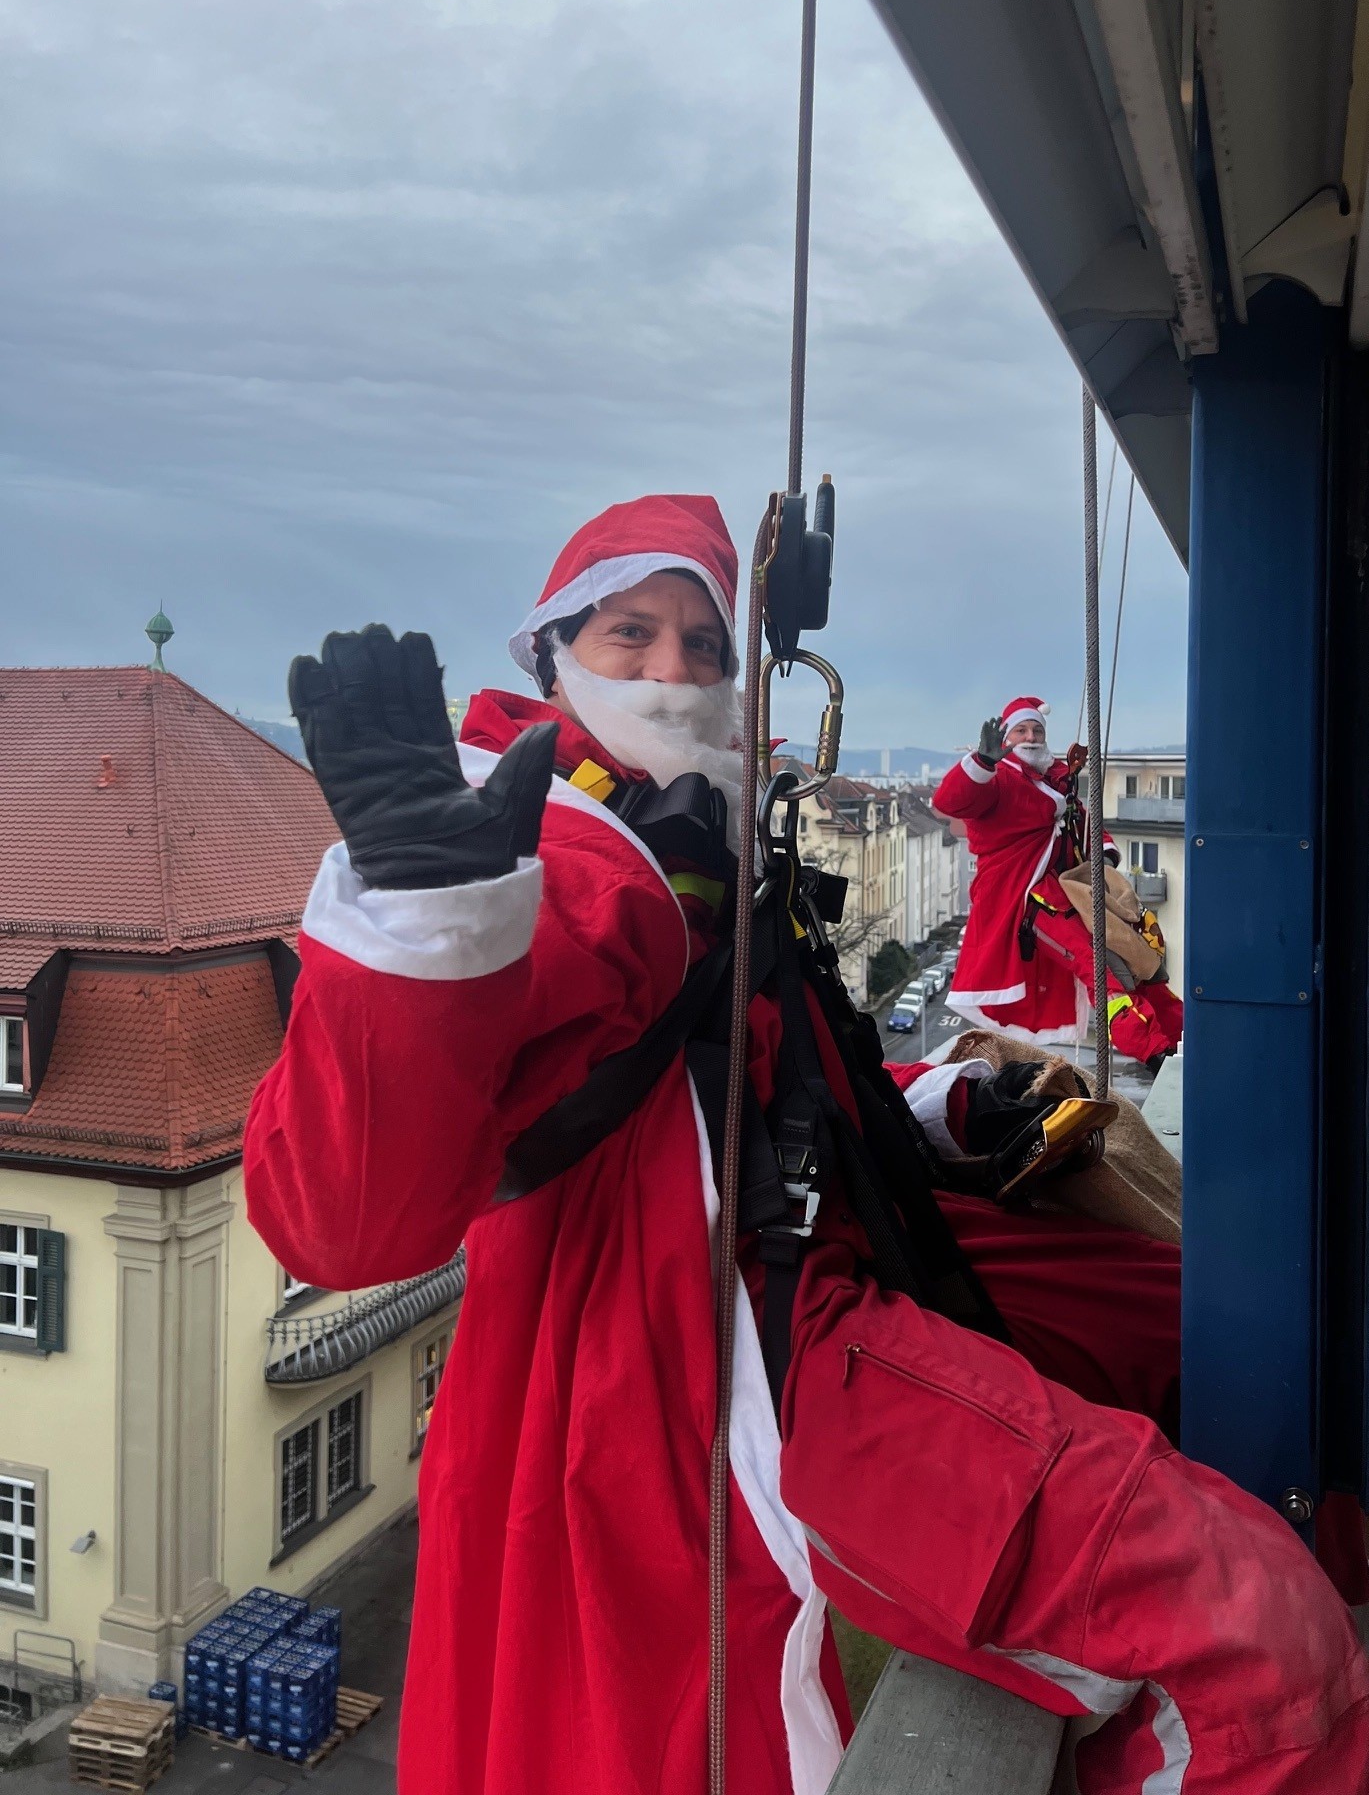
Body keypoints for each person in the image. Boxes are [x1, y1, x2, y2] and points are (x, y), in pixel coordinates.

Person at [244, 495, 1367, 1795]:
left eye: (704, 644)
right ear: (549, 658)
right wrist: (424, 923)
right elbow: (343, 1222)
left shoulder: (697, 831)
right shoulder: (569, 859)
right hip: (718, 1341)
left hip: (807, 1247)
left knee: (1197, 1326)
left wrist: (936, 1109)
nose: (672, 671)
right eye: (630, 634)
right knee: (1247, 1641)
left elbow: (746, 1071)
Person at [933, 701, 1183, 1067]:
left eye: (1037, 731)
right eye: (1022, 731)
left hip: (1070, 891)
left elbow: (1084, 827)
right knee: (1097, 964)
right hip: (1026, 897)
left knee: (1134, 953)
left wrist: (1106, 862)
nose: (1031, 737)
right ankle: (1153, 1049)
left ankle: (1178, 1032)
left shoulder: (1056, 781)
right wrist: (982, 762)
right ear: (1006, 736)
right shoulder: (998, 779)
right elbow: (950, 799)